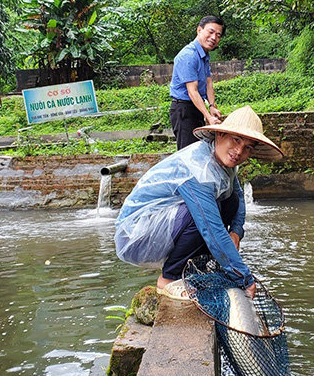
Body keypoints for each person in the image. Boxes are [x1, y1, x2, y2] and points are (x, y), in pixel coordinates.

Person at [114, 106, 284, 301]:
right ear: (220, 134)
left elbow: (238, 196)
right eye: (236, 140)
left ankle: (194, 269)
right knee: (202, 214)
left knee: (231, 201)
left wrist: (236, 231)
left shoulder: (223, 162)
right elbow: (211, 229)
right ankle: (169, 278)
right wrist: (244, 277)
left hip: (164, 225)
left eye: (248, 147)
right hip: (136, 234)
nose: (239, 151)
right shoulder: (198, 167)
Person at [169, 16, 225, 150]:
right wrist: (208, 117)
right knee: (188, 154)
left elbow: (208, 82)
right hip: (184, 110)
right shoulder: (189, 56)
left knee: (199, 152)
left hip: (196, 108)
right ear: (199, 30)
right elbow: (192, 91)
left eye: (218, 35)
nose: (213, 38)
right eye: (210, 32)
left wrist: (211, 106)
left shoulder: (204, 55)